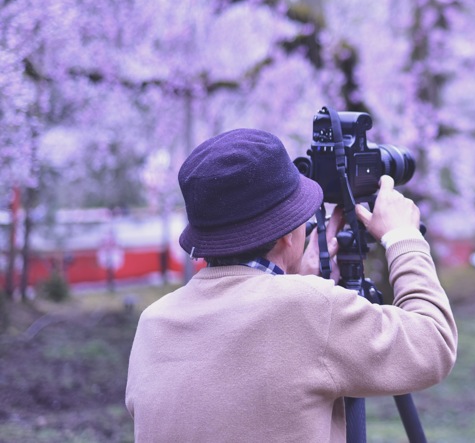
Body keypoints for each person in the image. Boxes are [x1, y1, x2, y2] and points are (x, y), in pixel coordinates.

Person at [125, 128, 457, 442]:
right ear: (287, 233)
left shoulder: (154, 322)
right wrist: (403, 237)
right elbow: (433, 345)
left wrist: (298, 279)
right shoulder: (308, 306)